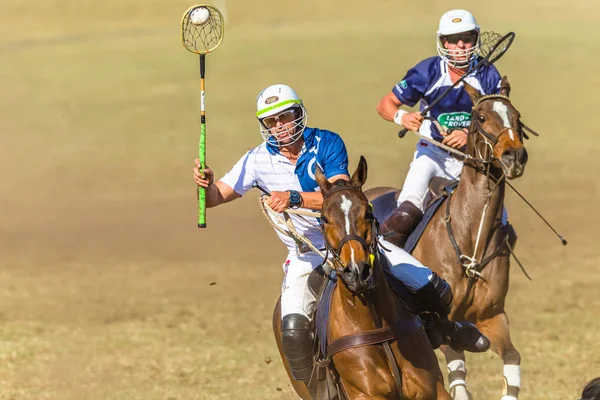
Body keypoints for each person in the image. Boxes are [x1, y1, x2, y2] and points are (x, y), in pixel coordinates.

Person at [193, 83, 488, 384]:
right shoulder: (256, 160)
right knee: (292, 329)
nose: (280, 126)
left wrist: (293, 198)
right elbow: (217, 197)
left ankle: (446, 330)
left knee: (432, 287)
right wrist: (206, 184)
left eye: (286, 116)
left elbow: (342, 195)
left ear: (299, 113)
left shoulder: (326, 142)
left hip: (353, 243)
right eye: (272, 121)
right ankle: (319, 389)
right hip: (306, 254)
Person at [376, 9, 504, 247]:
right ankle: (387, 265)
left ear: (476, 39)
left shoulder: (488, 74)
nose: (461, 45)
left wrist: (469, 135)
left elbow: (500, 122)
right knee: (405, 213)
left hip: (473, 159)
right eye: (453, 40)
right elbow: (385, 104)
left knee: (501, 223)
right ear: (444, 42)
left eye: (467, 38)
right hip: (432, 155)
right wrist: (402, 117)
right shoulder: (428, 72)